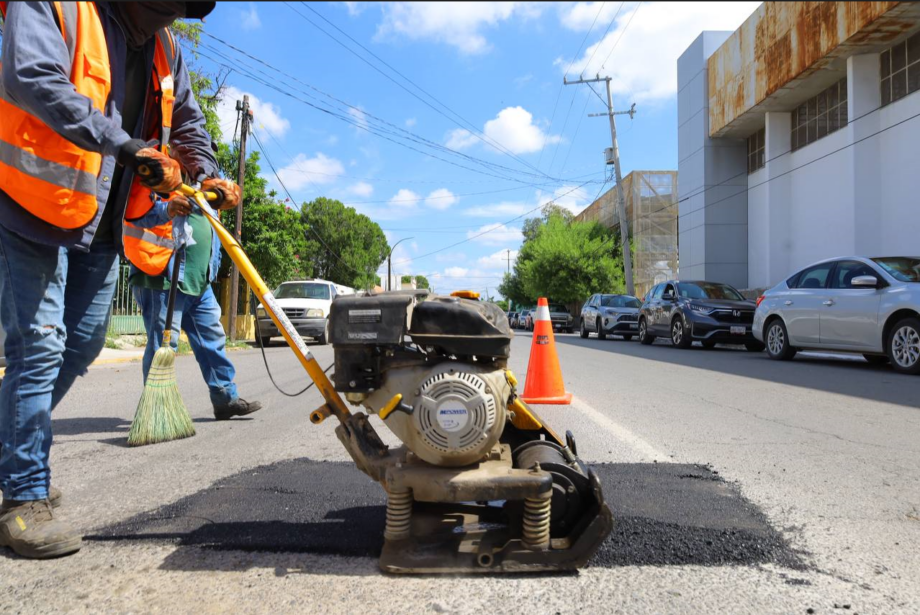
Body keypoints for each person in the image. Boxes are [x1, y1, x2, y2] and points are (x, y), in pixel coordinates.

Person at [0, 1, 233, 559]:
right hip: (29, 200)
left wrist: (207, 172)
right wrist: (126, 146)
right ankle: (24, 496)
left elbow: (191, 126)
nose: (171, 17)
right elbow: (30, 76)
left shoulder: (166, 49)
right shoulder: (57, 6)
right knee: (38, 345)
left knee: (79, 347)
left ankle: (11, 454)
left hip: (101, 218)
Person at [128, 186, 263, 420]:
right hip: (162, 278)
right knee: (163, 346)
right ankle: (156, 412)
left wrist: (209, 272)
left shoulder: (207, 189)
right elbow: (136, 214)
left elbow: (211, 236)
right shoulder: (162, 172)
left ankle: (225, 399)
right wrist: (167, 208)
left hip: (199, 282)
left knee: (213, 341)